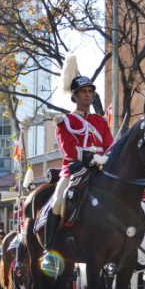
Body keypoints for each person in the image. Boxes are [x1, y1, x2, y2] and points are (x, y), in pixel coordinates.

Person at [46, 55, 113, 253]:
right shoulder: (65, 121)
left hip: (102, 168)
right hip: (75, 170)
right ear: (74, 96)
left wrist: (107, 158)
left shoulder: (100, 122)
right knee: (58, 202)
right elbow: (68, 150)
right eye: (83, 91)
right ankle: (48, 247)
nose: (87, 95)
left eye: (90, 91)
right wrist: (90, 158)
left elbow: (109, 145)